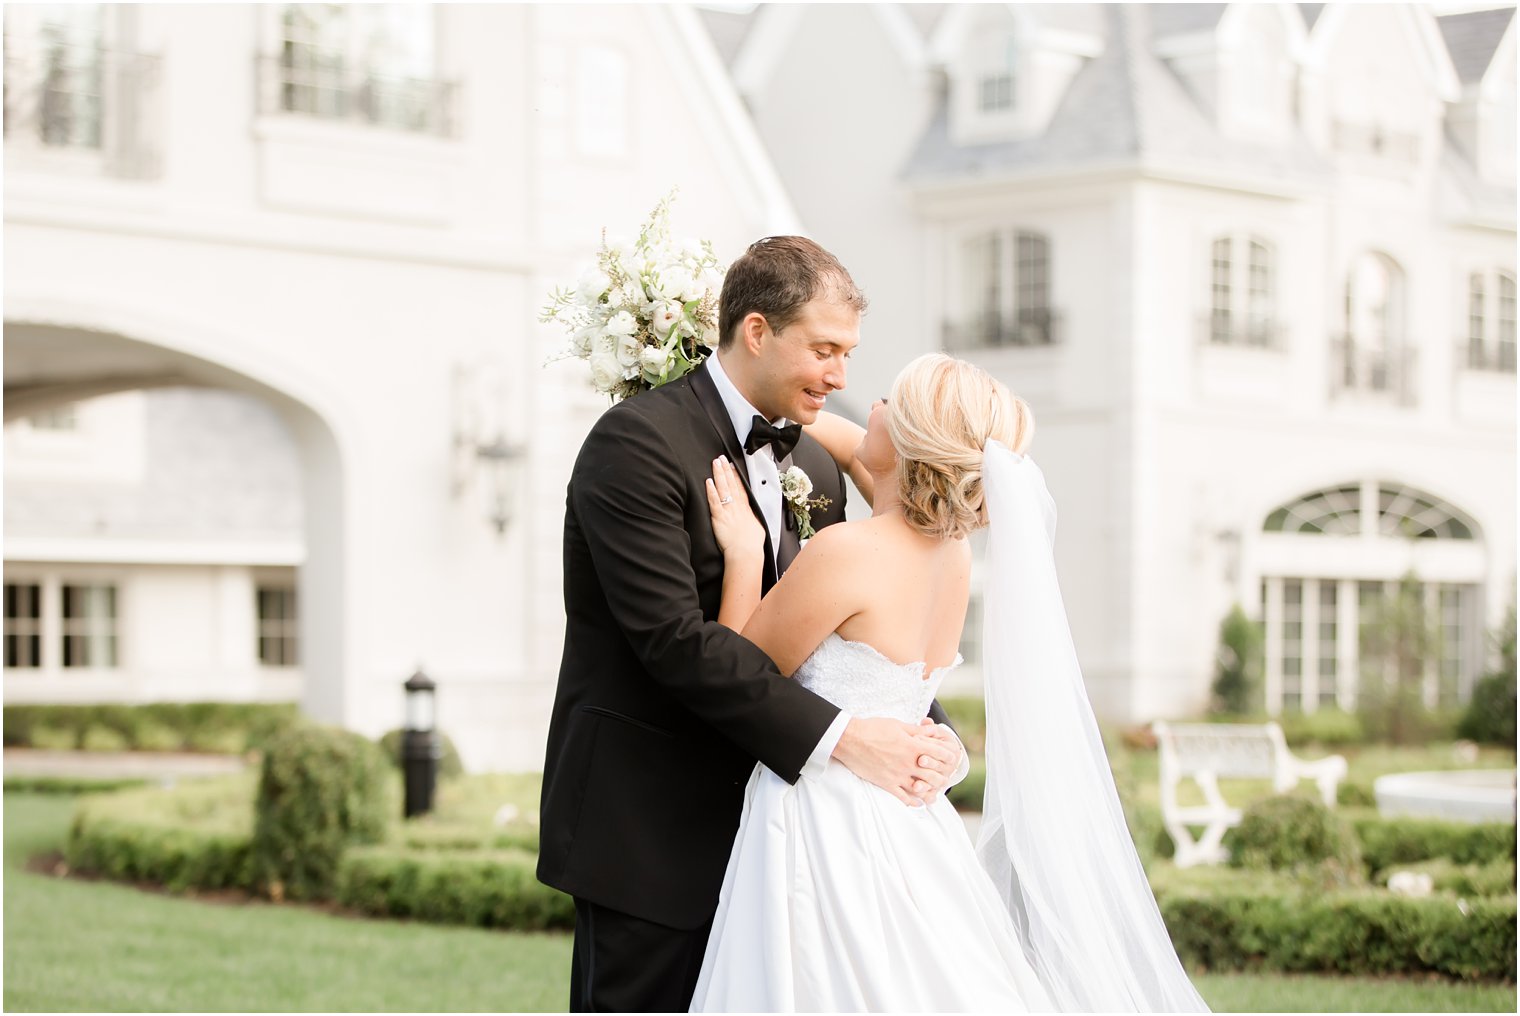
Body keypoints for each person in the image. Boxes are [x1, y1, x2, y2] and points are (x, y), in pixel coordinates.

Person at [691, 353, 1210, 1012]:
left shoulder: (848, 552)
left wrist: (743, 552)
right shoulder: (952, 555)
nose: (866, 408)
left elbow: (737, 669)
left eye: (886, 402)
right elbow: (858, 447)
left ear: (908, 443)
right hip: (913, 819)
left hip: (825, 818)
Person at [537, 237, 969, 1013]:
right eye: (825, 349)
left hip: (789, 840)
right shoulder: (636, 445)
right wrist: (846, 736)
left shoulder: (825, 466)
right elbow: (673, 642)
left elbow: (850, 627)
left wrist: (917, 727)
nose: (840, 375)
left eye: (849, 353)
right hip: (653, 830)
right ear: (759, 331)